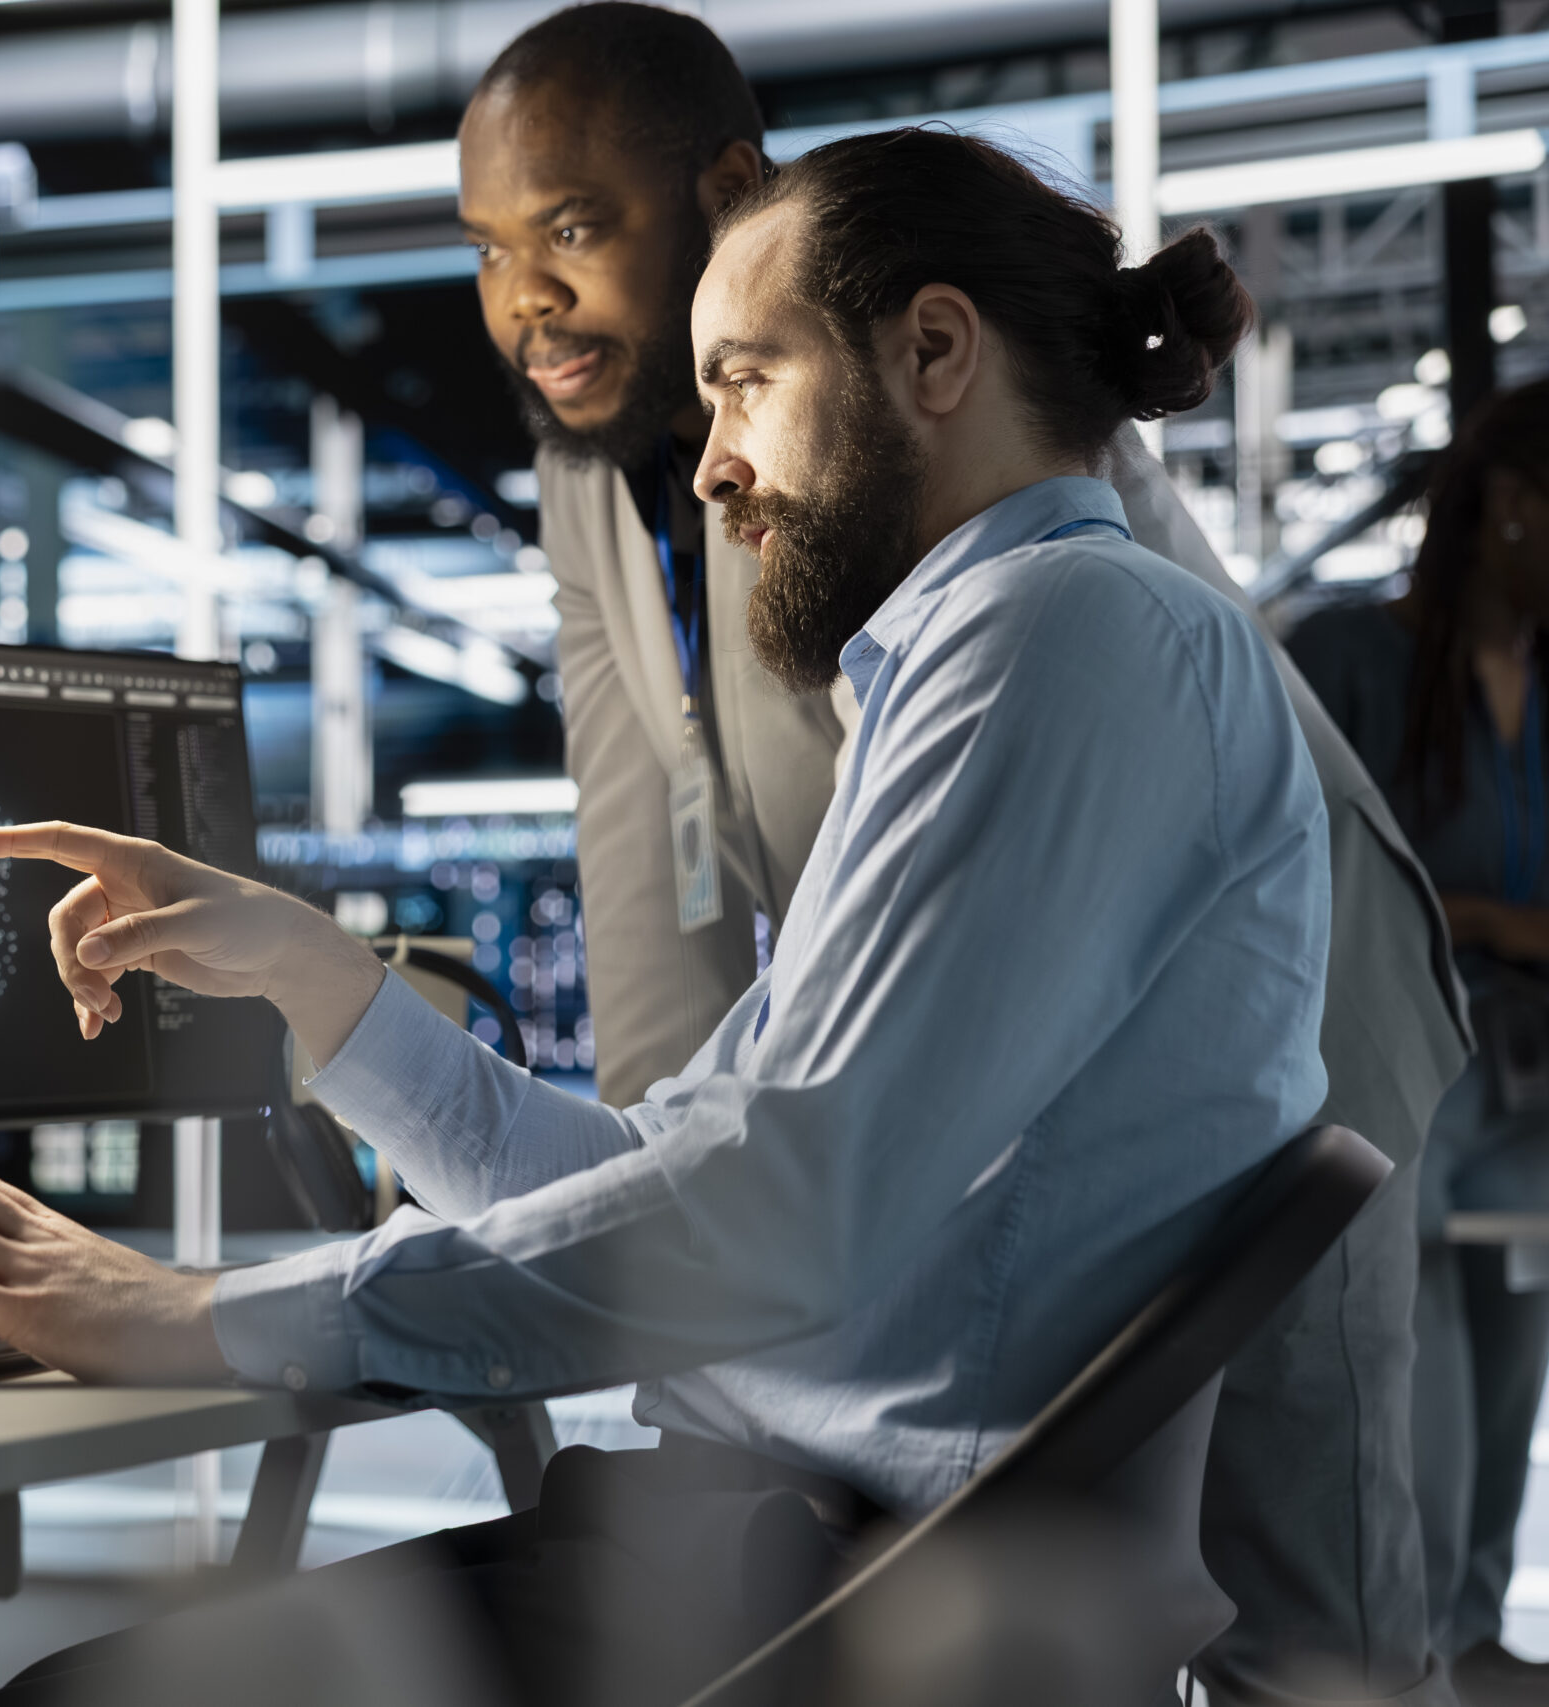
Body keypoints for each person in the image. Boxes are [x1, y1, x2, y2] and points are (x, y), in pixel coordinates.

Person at [0, 129, 1317, 1705]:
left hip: (817, 1599)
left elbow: (776, 1209)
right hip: (777, 1556)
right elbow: (683, 1177)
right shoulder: (1009, 655)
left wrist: (209, 1319)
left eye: (744, 381)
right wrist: (316, 977)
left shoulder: (1060, 637)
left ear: (931, 352)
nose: (712, 461)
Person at [458, 7, 1469, 1699]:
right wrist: (658, 1224)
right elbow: (653, 876)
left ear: (725, 192)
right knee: (1045, 1604)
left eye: (572, 229)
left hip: (1280, 1031)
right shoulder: (596, 488)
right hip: (1002, 1077)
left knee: (1316, 1634)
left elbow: (1049, 758)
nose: (524, 299)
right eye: (489, 251)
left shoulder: (924, 430)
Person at [1290, 380, 1549, 1705]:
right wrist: (1493, 914)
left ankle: (1477, 1629)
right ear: (1511, 509)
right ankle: (1423, 1643)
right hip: (1405, 1052)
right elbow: (1307, 871)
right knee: (1418, 1368)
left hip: (1533, 1077)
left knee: (1513, 1365)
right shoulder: (1351, 658)